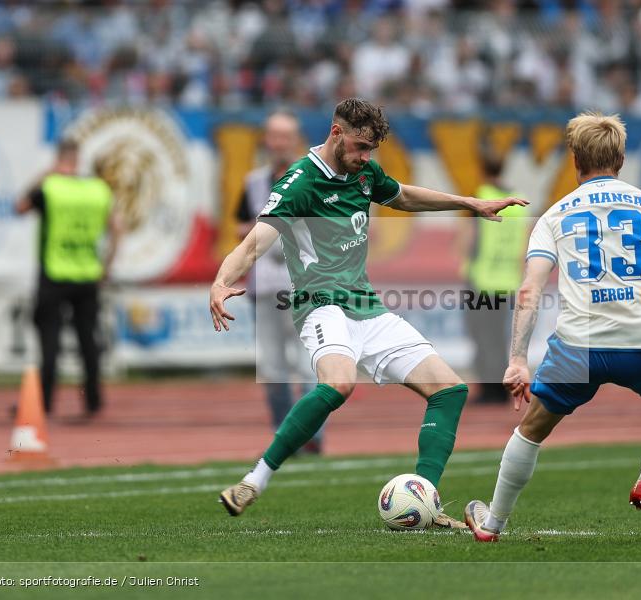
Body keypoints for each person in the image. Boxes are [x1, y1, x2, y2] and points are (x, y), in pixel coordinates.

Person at [210, 98, 527, 528]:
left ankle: (425, 498)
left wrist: (469, 203)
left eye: (371, 150)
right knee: (339, 383)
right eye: (360, 147)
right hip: (320, 306)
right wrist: (221, 280)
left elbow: (404, 196)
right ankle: (254, 480)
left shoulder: (364, 173)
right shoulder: (300, 182)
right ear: (336, 133)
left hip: (367, 307)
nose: (365, 158)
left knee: (450, 390)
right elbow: (253, 244)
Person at [463, 112, 641, 541]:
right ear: (621, 159)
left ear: (575, 160)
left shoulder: (554, 216)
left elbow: (530, 289)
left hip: (579, 349)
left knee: (532, 429)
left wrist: (518, 359)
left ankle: (493, 523)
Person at [16, 138, 121, 418]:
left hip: (54, 273)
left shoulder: (51, 187)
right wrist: (107, 266)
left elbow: (20, 206)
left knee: (49, 340)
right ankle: (93, 401)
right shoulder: (97, 189)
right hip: (88, 275)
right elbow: (117, 228)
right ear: (78, 159)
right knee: (88, 339)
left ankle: (45, 403)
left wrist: (44, 175)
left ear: (58, 158)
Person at [236, 110, 321, 452]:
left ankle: (312, 437)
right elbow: (239, 225)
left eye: (286, 136)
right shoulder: (254, 182)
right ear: (266, 140)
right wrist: (259, 230)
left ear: (296, 140)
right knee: (272, 368)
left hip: (304, 286)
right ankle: (285, 438)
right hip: (265, 285)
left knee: (309, 364)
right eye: (275, 136)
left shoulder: (313, 179)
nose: (280, 143)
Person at [457, 147, 529, 404]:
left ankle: (489, 391)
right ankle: (501, 389)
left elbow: (468, 237)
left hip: (482, 279)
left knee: (482, 336)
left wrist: (462, 261)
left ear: (482, 169)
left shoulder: (481, 197)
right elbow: (524, 241)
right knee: (500, 337)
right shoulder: (518, 201)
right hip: (507, 279)